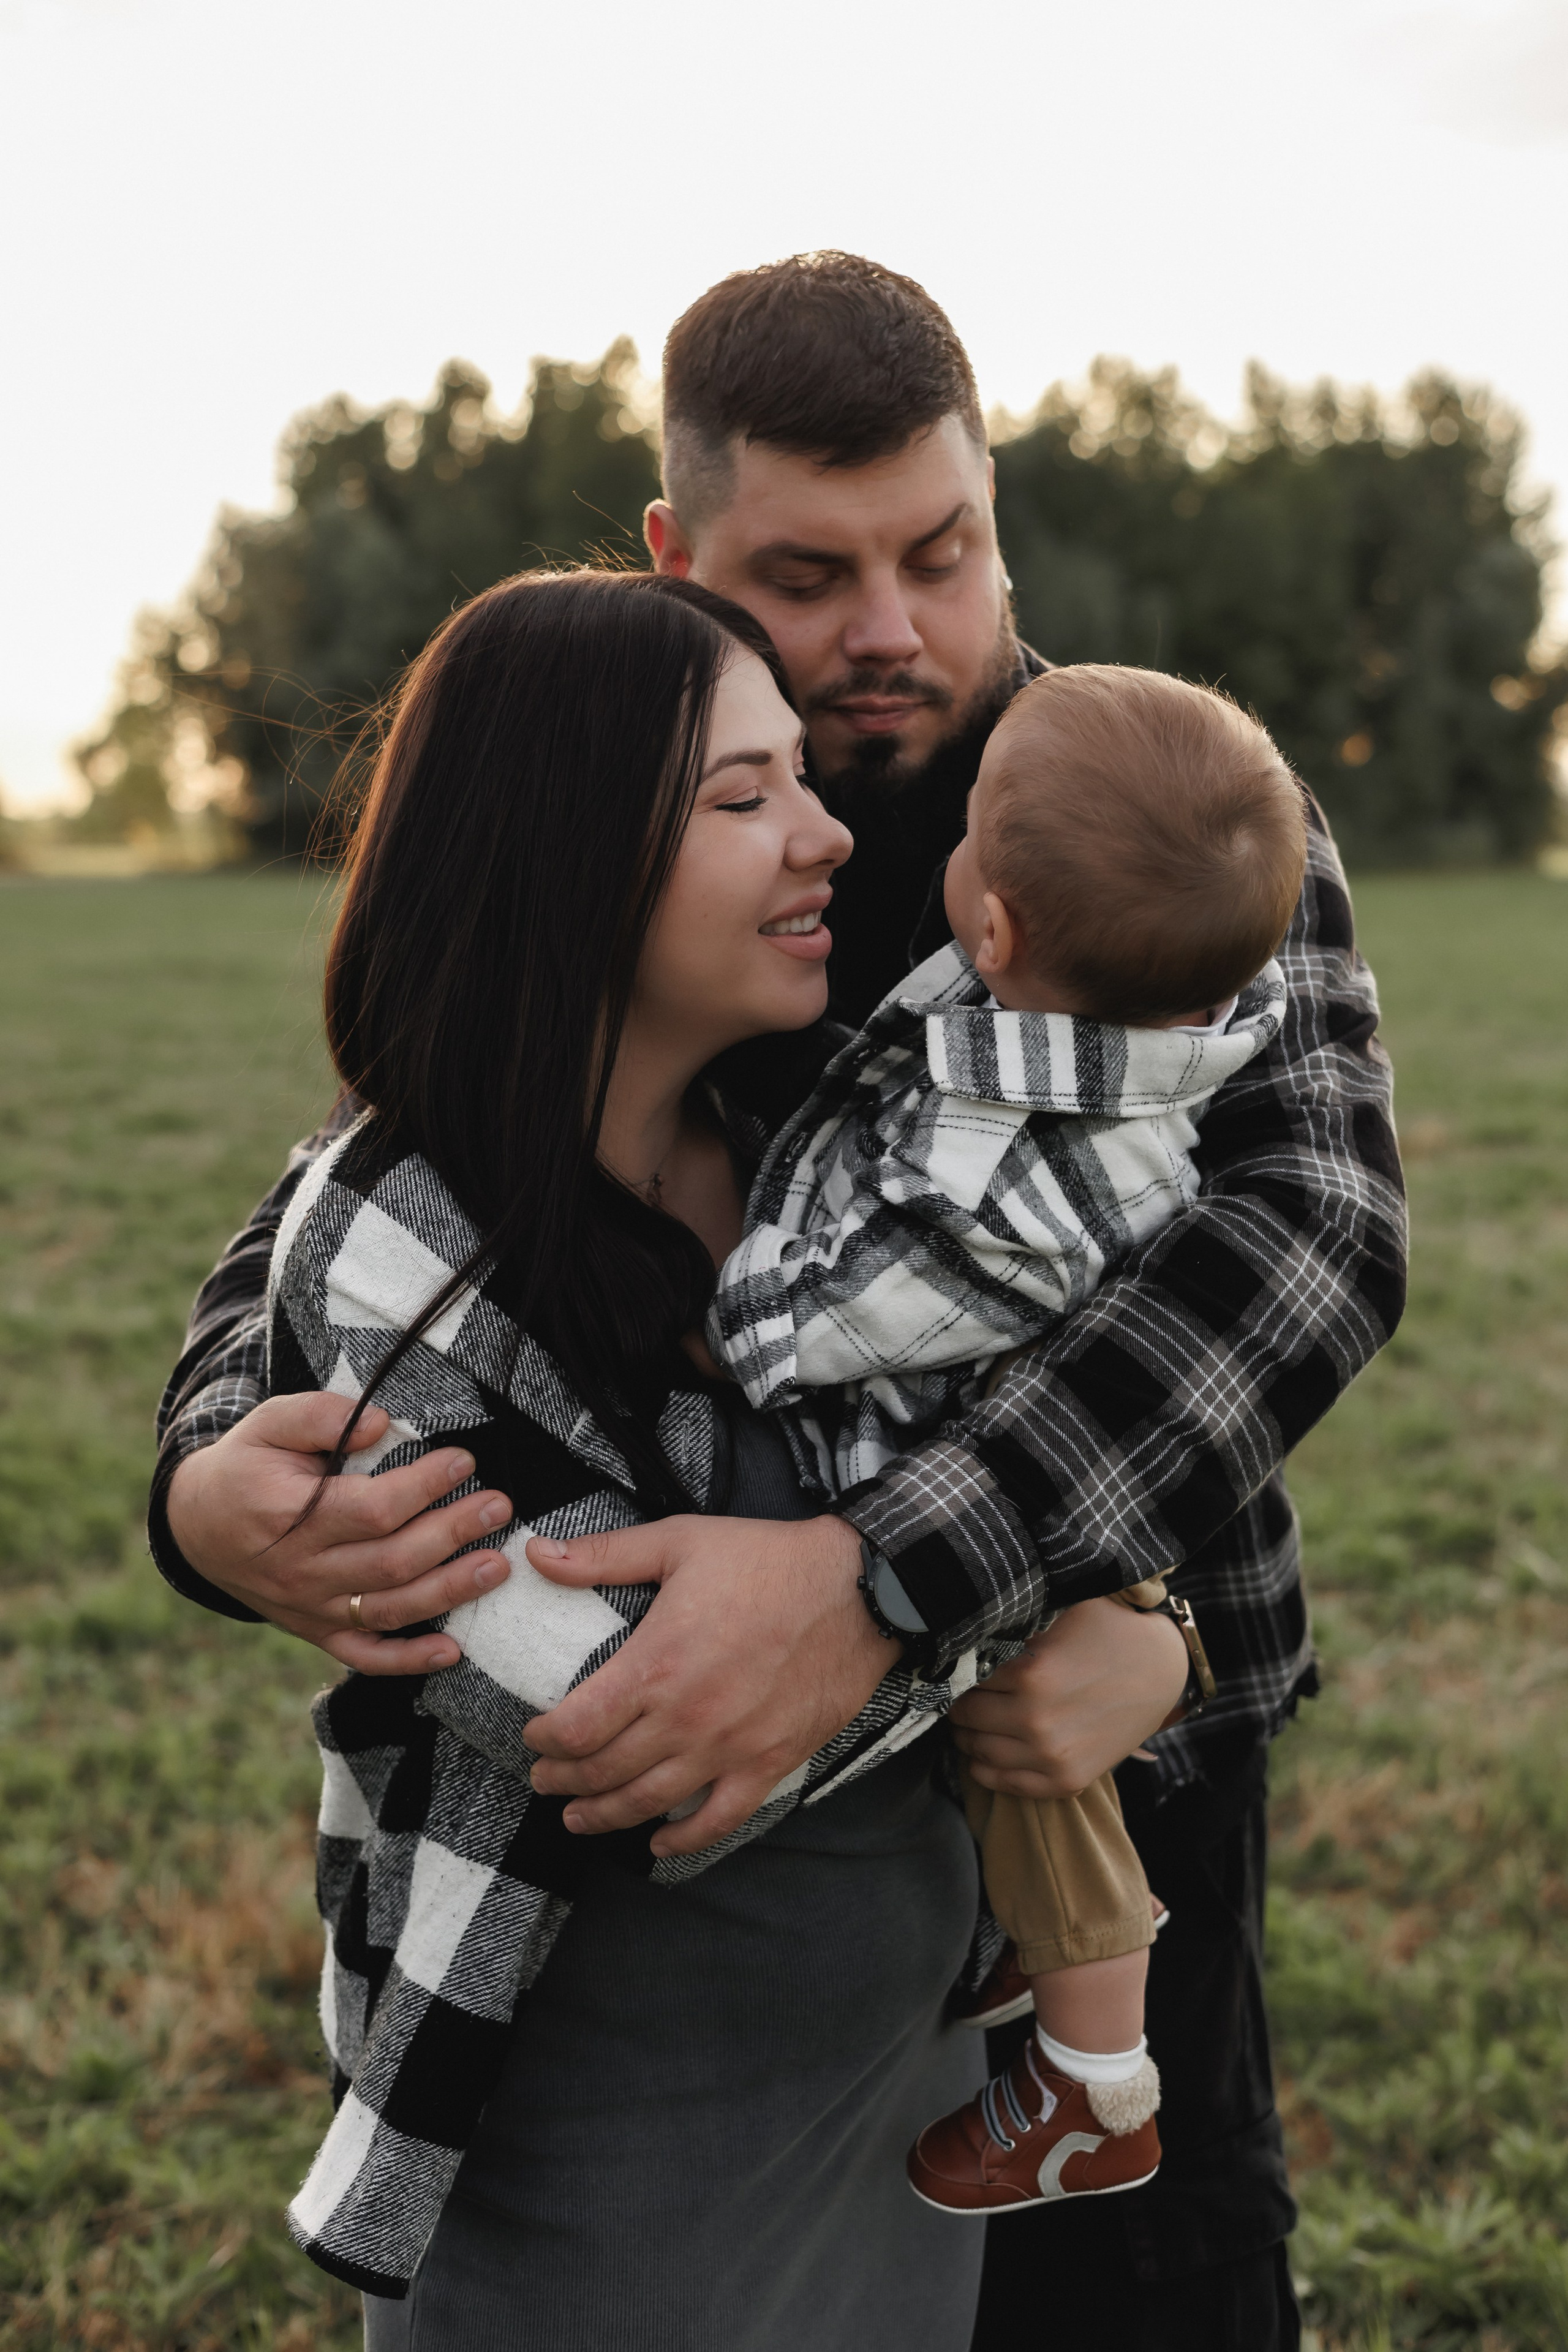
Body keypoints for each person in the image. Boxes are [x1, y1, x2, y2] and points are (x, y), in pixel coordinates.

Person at [151, 254, 1408, 2350]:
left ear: (998, 502)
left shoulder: (1160, 798)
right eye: (810, 576)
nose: (893, 632)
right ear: (679, 557)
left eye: (943, 550)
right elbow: (391, 1170)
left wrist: (904, 1582)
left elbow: (1313, 1235)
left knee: (1158, 2269)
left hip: (1102, 1710)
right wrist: (210, 1474)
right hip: (758, 1889)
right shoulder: (644, 801)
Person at [272, 562, 1040, 2340]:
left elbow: (1049, 1381)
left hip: (899, 2099)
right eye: (744, 796)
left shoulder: (815, 1136)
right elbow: (637, 1735)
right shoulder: (389, 1246)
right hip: (594, 2154)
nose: (830, 837)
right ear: (564, 846)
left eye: (809, 781)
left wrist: (1114, 1597)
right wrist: (1030, 1605)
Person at [708, 663, 1307, 2214]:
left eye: (972, 830)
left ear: (992, 931)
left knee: (1041, 1775)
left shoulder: (1030, 1157)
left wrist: (746, 1311)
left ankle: (1093, 2086)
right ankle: (1025, 1970)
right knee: (1020, 1776)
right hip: (1056, 1501)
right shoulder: (1113, 1014)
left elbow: (872, 1307)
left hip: (1024, 1546)